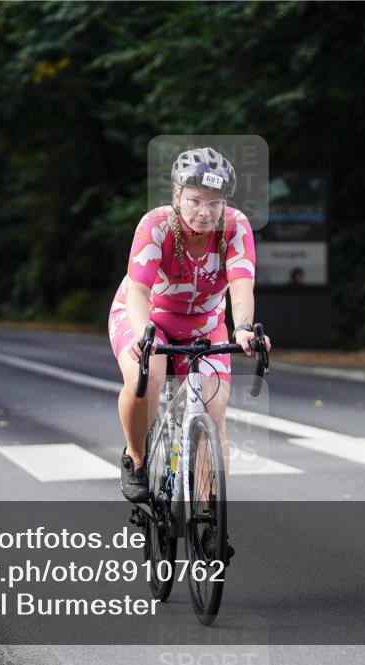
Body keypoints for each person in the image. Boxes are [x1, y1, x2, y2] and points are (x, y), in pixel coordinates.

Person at [108, 147, 272, 505]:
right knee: (149, 374)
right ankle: (135, 458)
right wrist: (141, 333)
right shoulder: (156, 225)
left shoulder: (235, 226)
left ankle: (209, 518)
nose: (205, 212)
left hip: (205, 324)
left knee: (214, 414)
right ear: (177, 194)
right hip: (148, 317)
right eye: (196, 200)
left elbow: (242, 283)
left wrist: (242, 328)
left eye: (215, 203)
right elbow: (137, 288)